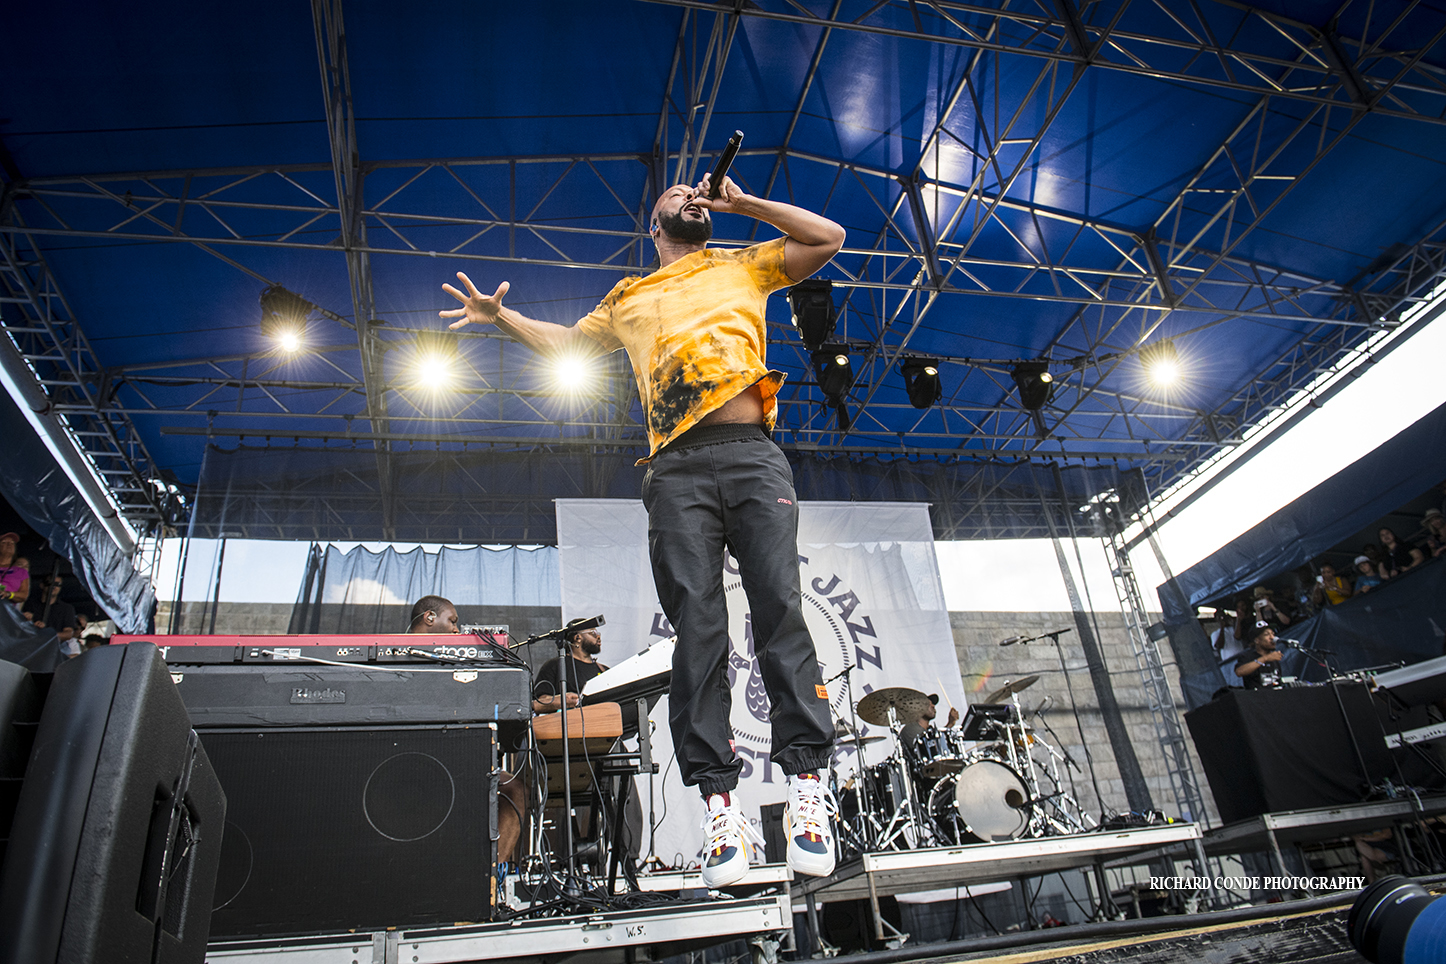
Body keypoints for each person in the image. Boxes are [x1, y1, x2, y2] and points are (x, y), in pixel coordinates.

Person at [442, 172, 845, 886]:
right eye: (678, 192)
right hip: (677, 468)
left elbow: (828, 238)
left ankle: (809, 791)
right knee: (698, 630)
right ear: (654, 224)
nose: (693, 193)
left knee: (782, 609)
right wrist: (500, 317)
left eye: (700, 192)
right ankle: (724, 812)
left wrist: (742, 203)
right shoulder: (629, 296)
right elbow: (565, 341)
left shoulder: (742, 262)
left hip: (753, 456)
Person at [406, 595, 526, 867]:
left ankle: (493, 875)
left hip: (457, 755)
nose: (456, 629)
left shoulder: (454, 656)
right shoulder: (396, 652)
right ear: (429, 618)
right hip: (412, 759)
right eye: (452, 621)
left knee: (514, 787)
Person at [532, 617, 607, 713]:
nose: (598, 637)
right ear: (577, 638)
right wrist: (562, 701)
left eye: (598, 634)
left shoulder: (604, 670)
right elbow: (538, 702)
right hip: (568, 725)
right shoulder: (555, 665)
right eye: (593, 633)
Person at [1235, 622, 1285, 690]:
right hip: (1257, 698)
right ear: (1257, 640)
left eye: (1273, 634)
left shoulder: (1274, 659)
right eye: (1267, 634)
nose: (1272, 637)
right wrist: (1265, 658)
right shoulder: (1248, 656)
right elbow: (1239, 672)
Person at [0, 533, 29, 609]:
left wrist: (8, 594)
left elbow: (24, 595)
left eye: (12, 543)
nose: (9, 544)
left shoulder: (22, 572)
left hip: (5, 612)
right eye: (4, 542)